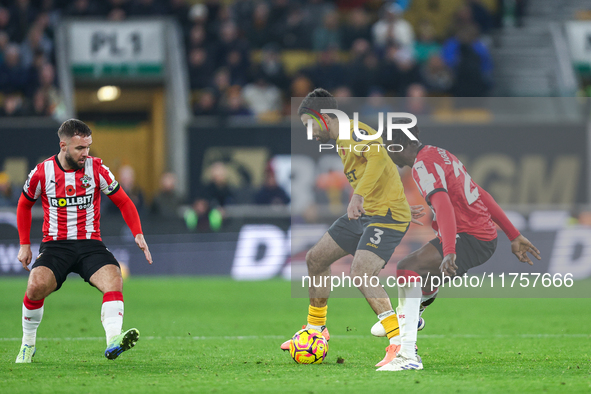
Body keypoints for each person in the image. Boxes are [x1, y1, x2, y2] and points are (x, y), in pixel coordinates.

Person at [375, 120, 541, 371]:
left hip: (471, 238)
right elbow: (481, 193)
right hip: (480, 236)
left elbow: (443, 206)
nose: (386, 152)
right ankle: (412, 314)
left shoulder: (423, 165)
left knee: (407, 268)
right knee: (425, 280)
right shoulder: (439, 153)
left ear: (398, 145)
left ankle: (407, 355)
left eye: (387, 146)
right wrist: (513, 234)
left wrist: (450, 250)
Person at [280, 88, 425, 366]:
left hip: (384, 215)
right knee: (316, 259)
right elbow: (385, 169)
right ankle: (315, 329)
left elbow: (380, 158)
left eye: (310, 124)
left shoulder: (353, 130)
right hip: (369, 213)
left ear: (324, 118)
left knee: (361, 272)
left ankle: (401, 345)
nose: (309, 131)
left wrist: (361, 196)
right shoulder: (344, 138)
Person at [15, 119, 152, 363]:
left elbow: (123, 201)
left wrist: (138, 232)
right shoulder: (42, 172)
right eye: (80, 148)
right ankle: (27, 344)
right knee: (35, 287)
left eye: (88, 147)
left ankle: (113, 341)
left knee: (114, 278)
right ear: (63, 145)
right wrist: (25, 244)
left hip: (90, 244)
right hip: (56, 245)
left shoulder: (97, 169)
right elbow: (25, 203)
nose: (85, 153)